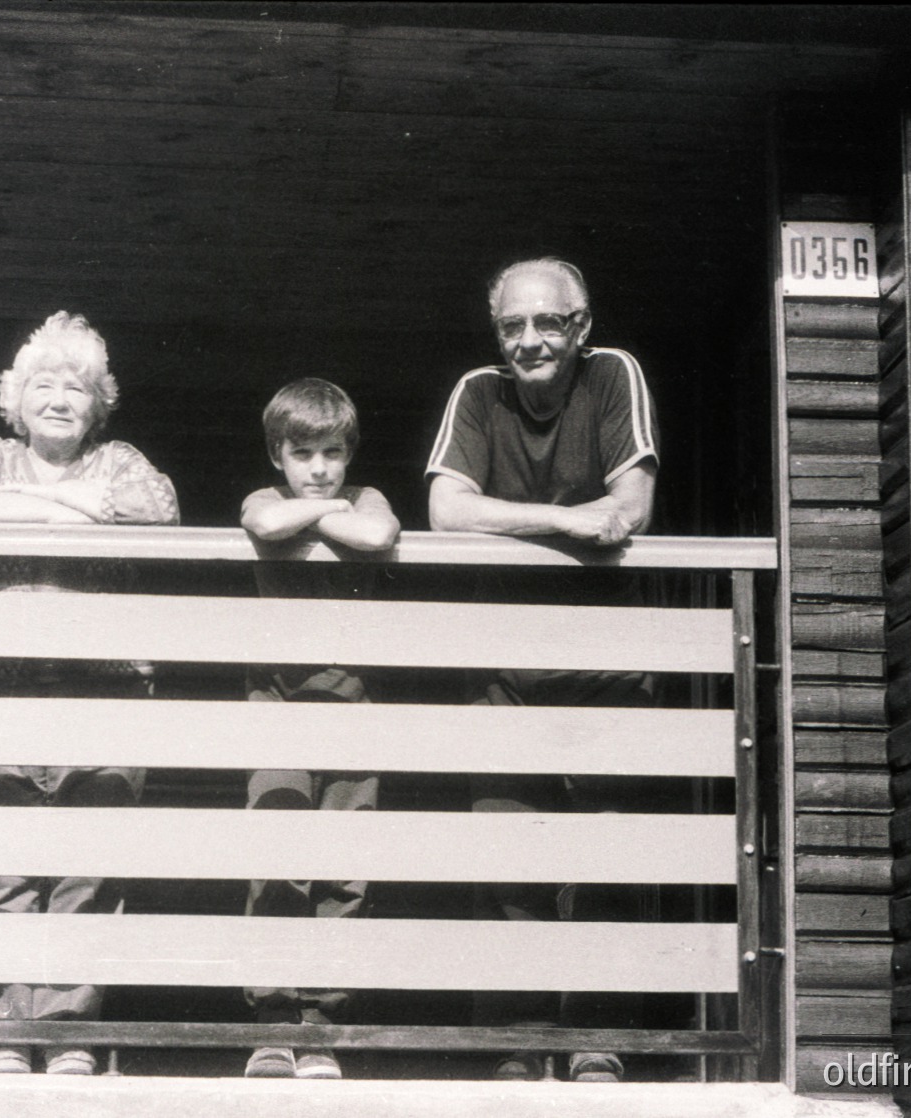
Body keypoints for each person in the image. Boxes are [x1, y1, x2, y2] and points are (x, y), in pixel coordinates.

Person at [0, 310, 179, 1077]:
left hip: (101, 698)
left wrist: (59, 505)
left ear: (99, 404)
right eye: (43, 383)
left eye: (77, 386)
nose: (59, 398)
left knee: (82, 874)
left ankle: (66, 1035)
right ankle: (2, 1038)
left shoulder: (121, 462)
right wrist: (62, 506)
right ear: (15, 398)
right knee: (0, 872)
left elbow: (157, 509)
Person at [425, 257, 659, 1084]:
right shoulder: (477, 393)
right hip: (505, 656)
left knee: (607, 852)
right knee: (507, 850)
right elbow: (447, 511)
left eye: (547, 323)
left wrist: (515, 523)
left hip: (606, 658)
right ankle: (518, 1040)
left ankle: (599, 1037)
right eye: (512, 327)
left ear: (581, 326)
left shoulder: (614, 376)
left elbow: (629, 510)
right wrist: (562, 519)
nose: (529, 341)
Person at [237, 378, 400, 1081]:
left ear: (349, 453)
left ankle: (322, 1026)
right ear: (279, 454)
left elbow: (378, 533)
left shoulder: (363, 499)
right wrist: (317, 510)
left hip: (354, 708)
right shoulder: (267, 498)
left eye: (332, 452)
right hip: (277, 707)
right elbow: (264, 526)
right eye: (303, 454)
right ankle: (272, 1021)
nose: (320, 468)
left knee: (345, 867)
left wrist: (323, 509)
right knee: (278, 857)